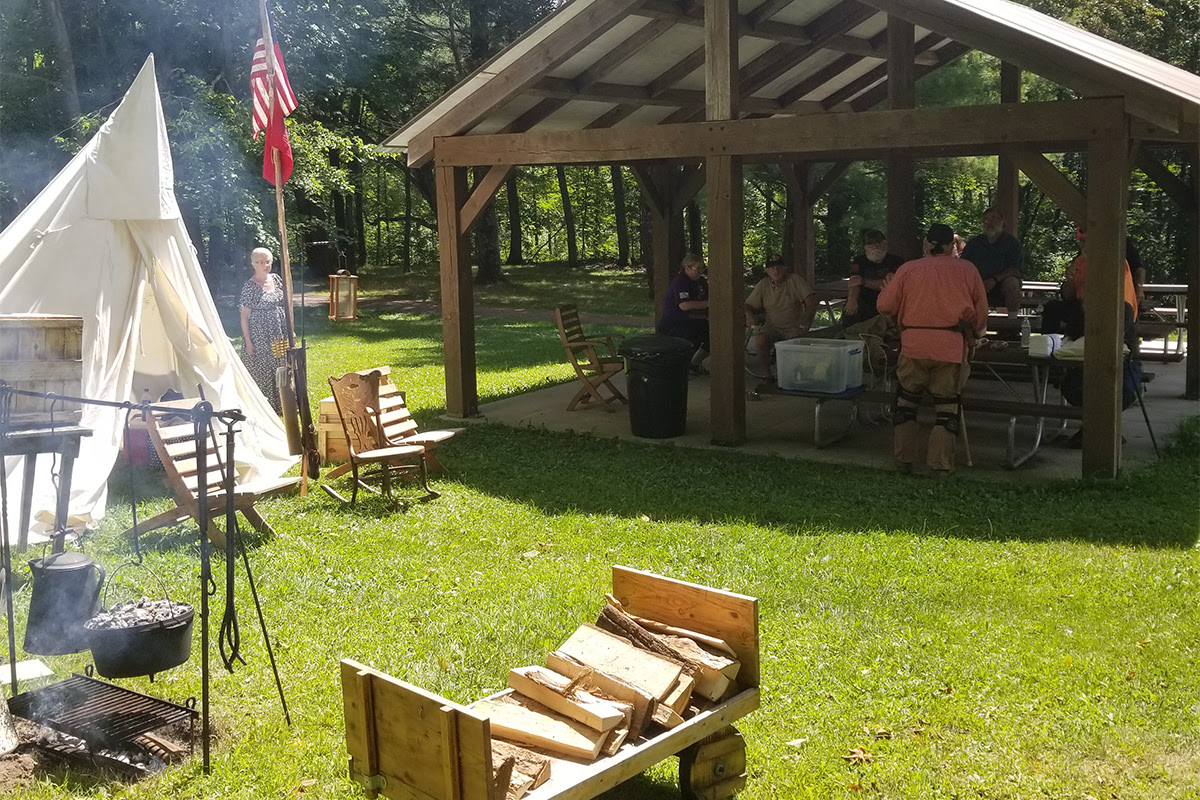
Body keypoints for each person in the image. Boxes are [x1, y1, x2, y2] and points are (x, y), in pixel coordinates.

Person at [877, 224, 988, 476]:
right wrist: (976, 334)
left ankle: (903, 462)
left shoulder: (908, 269)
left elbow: (884, 305)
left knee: (905, 404)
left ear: (926, 244)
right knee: (947, 408)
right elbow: (980, 316)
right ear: (952, 246)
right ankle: (940, 466)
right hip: (950, 347)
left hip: (914, 344)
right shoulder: (968, 270)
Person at [743, 256, 816, 380]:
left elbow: (811, 302)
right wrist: (748, 314)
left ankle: (793, 377)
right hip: (772, 327)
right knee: (760, 339)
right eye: (772, 268)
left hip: (794, 327)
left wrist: (803, 325)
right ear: (766, 271)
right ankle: (768, 376)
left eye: (778, 267)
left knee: (793, 341)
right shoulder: (763, 285)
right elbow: (747, 304)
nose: (775, 271)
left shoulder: (795, 280)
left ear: (785, 268)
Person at [239, 246, 289, 413]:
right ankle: (265, 406)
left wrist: (291, 330)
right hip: (259, 334)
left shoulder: (276, 279)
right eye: (260, 262)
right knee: (264, 368)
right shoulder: (250, 286)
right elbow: (244, 316)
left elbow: (285, 306)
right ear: (253, 264)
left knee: (280, 363)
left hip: (278, 331)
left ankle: (283, 403)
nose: (264, 265)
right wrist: (248, 342)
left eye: (267, 261)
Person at [960, 207, 1024, 314]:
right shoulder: (974, 244)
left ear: (1003, 223)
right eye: (986, 219)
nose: (990, 222)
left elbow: (1015, 269)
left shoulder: (1013, 244)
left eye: (994, 218)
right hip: (977, 283)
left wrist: (994, 280)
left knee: (1012, 283)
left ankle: (1012, 323)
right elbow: (963, 265)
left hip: (1001, 284)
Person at [656, 254, 711, 369]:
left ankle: (694, 363)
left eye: (702, 268)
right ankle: (685, 366)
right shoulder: (680, 282)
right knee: (687, 343)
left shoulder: (701, 282)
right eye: (698, 269)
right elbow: (684, 305)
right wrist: (709, 303)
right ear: (687, 268)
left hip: (693, 320)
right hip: (675, 323)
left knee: (713, 334)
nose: (701, 272)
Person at [841, 229, 904, 328]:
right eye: (870, 244)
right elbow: (854, 282)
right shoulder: (859, 262)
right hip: (866, 300)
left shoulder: (896, 261)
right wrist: (852, 299)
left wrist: (863, 281)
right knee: (850, 311)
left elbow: (890, 284)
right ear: (865, 247)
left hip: (889, 300)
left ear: (885, 244)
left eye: (878, 243)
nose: (875, 247)